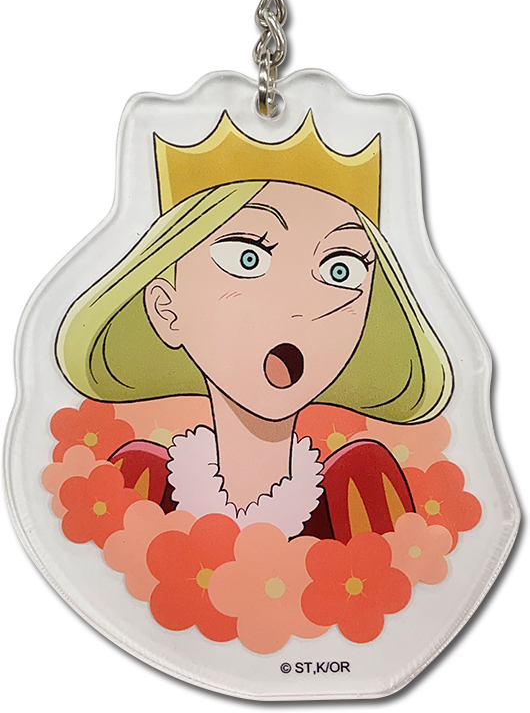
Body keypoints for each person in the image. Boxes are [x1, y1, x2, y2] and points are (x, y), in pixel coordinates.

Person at [56, 112, 453, 541]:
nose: (298, 307)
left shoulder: (361, 491)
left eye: (341, 269)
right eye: (248, 258)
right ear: (166, 309)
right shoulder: (138, 485)